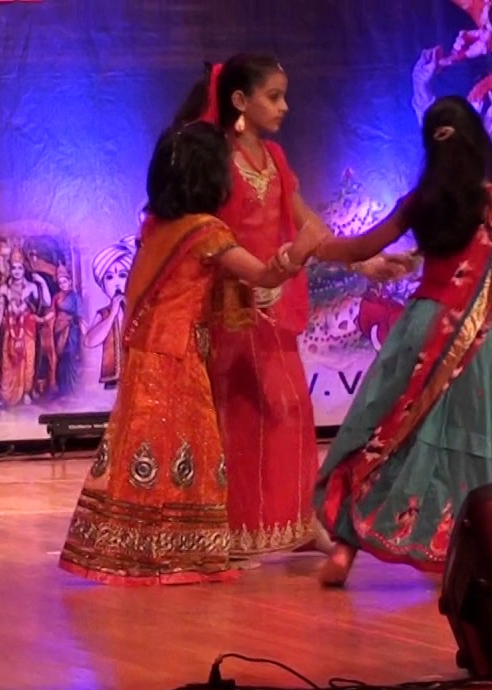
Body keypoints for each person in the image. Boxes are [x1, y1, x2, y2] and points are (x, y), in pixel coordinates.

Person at [309, 97, 492, 587]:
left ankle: (345, 549)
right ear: (478, 144)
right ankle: (487, 550)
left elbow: (360, 247)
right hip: (488, 339)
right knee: (484, 444)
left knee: (390, 430)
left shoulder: (422, 199)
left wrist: (309, 247)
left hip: (424, 329)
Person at [58, 122, 321, 586]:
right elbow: (261, 276)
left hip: (144, 350)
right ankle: (177, 555)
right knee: (187, 447)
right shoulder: (206, 232)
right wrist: (298, 251)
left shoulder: (156, 224)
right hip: (177, 354)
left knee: (144, 448)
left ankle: (131, 549)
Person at [173, 54, 411, 559]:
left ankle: (297, 520)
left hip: (274, 303)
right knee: (239, 413)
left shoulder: (276, 159)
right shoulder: (213, 158)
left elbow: (310, 229)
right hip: (230, 303)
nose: (285, 106)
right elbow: (199, 235)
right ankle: (233, 528)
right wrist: (245, 278)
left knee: (291, 410)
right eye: (274, 96)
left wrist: (364, 264)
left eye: (284, 95)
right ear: (240, 101)